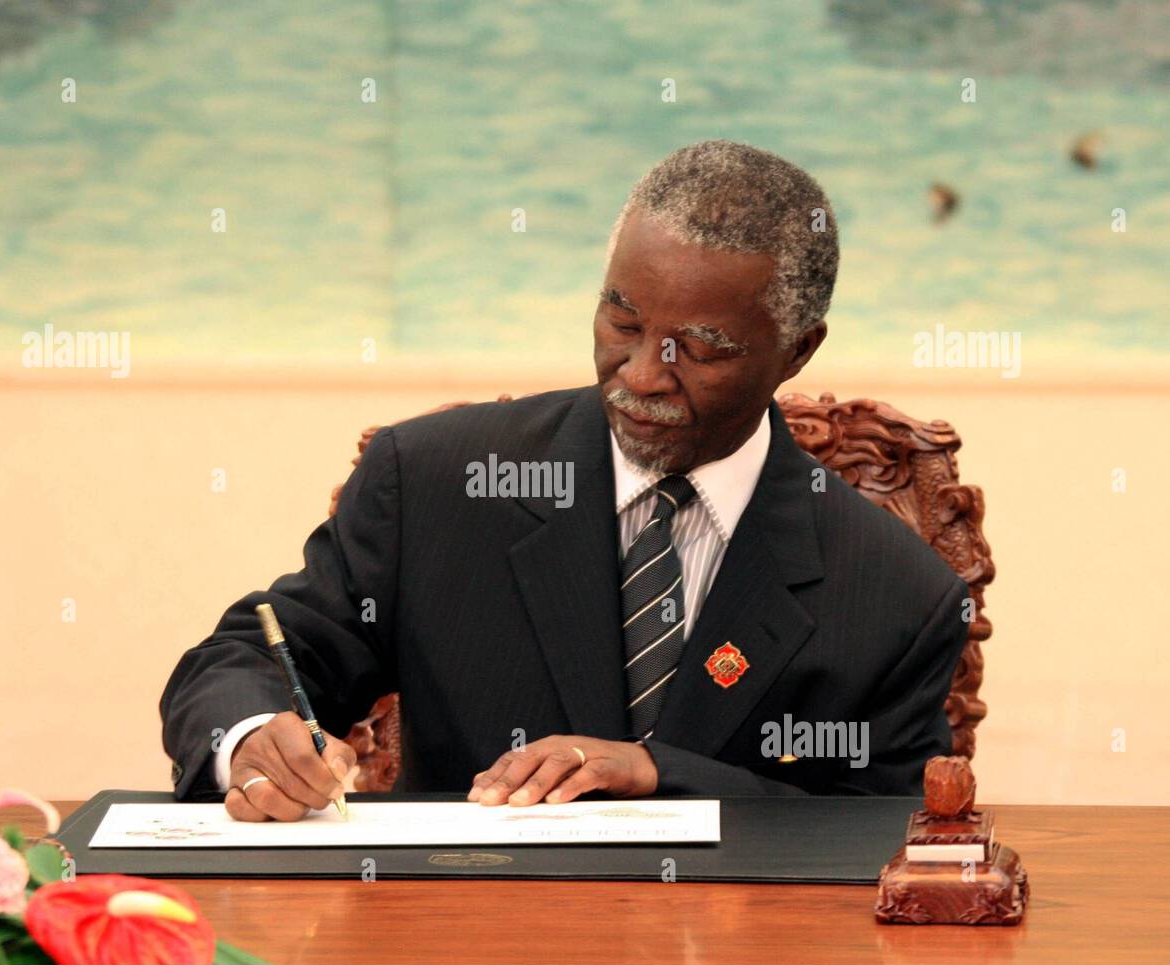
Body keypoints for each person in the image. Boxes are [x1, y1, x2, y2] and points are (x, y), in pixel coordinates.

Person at [160, 140, 969, 821]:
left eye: (700, 349)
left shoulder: (894, 594)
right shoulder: (437, 484)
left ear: (796, 352)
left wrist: (659, 776)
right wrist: (253, 737)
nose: (642, 375)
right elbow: (249, 655)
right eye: (623, 322)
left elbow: (881, 831)